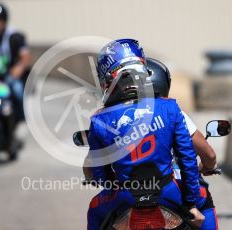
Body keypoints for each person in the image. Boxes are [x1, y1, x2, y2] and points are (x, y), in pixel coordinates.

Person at [84, 39, 204, 230]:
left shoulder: (100, 121)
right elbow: (188, 159)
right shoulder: (170, 108)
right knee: (205, 200)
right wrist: (190, 203)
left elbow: (101, 176)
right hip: (168, 191)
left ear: (109, 78)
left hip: (125, 196)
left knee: (94, 210)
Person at [146, 57, 219, 229]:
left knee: (96, 209)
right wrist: (207, 166)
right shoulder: (173, 112)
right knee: (204, 200)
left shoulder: (118, 115)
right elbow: (209, 154)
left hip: (127, 191)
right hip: (171, 187)